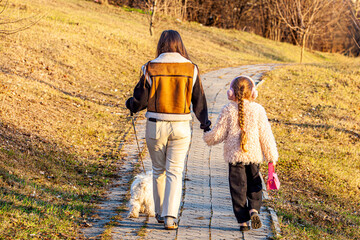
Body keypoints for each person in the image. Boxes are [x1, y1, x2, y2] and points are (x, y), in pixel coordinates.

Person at [126, 30, 211, 230]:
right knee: (175, 171)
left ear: (161, 44)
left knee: (158, 171)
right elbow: (199, 100)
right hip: (181, 127)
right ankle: (170, 217)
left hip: (155, 126)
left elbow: (140, 100)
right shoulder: (192, 68)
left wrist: (130, 105)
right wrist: (205, 123)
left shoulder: (149, 67)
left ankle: (159, 212)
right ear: (180, 45)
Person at [203, 76, 278, 232]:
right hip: (253, 158)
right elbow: (266, 135)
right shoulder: (258, 110)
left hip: (235, 159)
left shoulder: (228, 110)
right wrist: (271, 157)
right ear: (253, 93)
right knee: (255, 185)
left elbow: (217, 135)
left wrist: (207, 135)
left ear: (231, 93)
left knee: (238, 190)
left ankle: (243, 222)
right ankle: (254, 210)